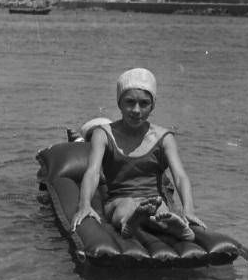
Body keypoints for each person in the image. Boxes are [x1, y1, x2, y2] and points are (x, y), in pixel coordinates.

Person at [71, 68, 205, 240]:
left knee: (160, 209)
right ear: (119, 103)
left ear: (152, 105)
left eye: (144, 103)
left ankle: (166, 223)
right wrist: (84, 205)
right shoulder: (103, 134)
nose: (136, 110)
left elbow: (180, 176)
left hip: (154, 200)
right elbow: (93, 172)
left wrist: (189, 210)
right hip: (119, 199)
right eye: (130, 102)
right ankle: (132, 222)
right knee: (125, 207)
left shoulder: (164, 138)